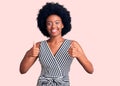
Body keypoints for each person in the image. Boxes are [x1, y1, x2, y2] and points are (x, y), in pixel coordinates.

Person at [20, 2, 94, 86]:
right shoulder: (39, 46)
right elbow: (23, 70)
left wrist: (79, 55)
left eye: (57, 22)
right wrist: (29, 54)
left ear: (63, 24)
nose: (53, 26)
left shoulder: (73, 44)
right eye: (49, 23)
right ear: (45, 26)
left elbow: (90, 70)